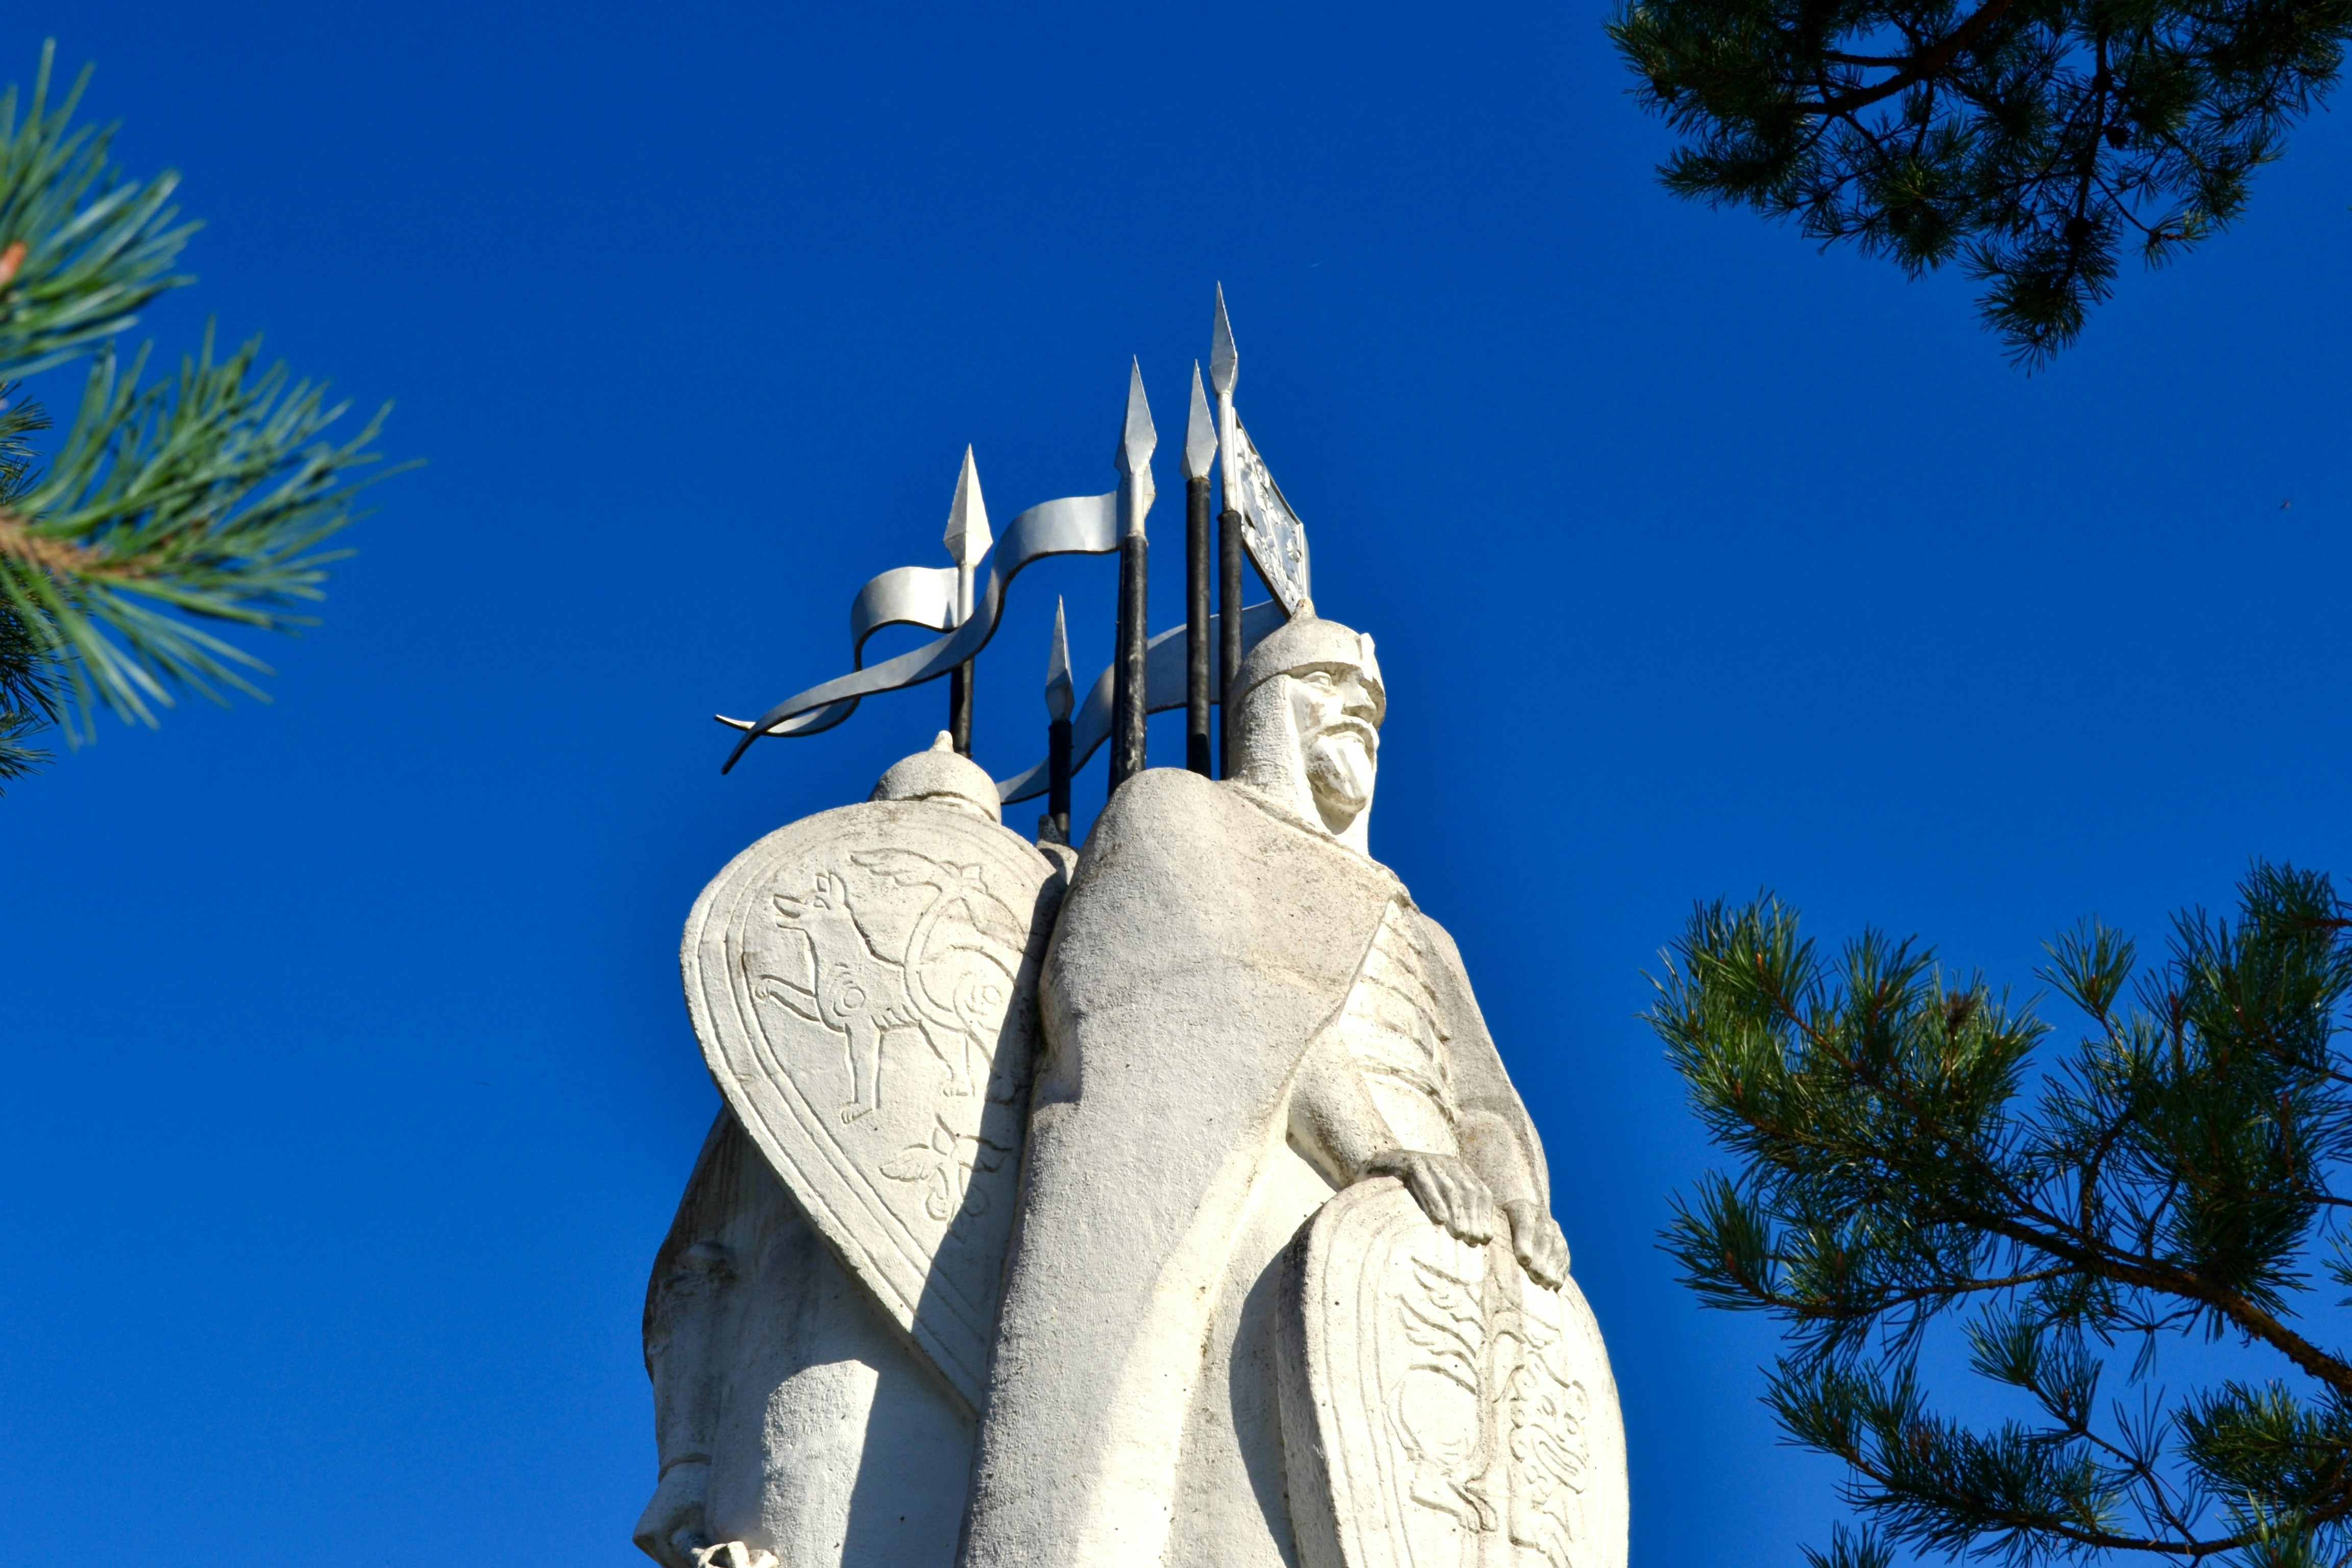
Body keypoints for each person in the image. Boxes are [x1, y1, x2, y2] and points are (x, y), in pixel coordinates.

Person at [959, 613, 1568, 1568]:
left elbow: (1483, 1100)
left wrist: (1520, 1199)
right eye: (1327, 684)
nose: (1358, 709)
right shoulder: (1180, 815)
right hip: (1273, 1181)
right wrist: (1375, 1152)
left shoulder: (1425, 932)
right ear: (1266, 708)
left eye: (1371, 702)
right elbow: (1225, 1001)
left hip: (1437, 1238)